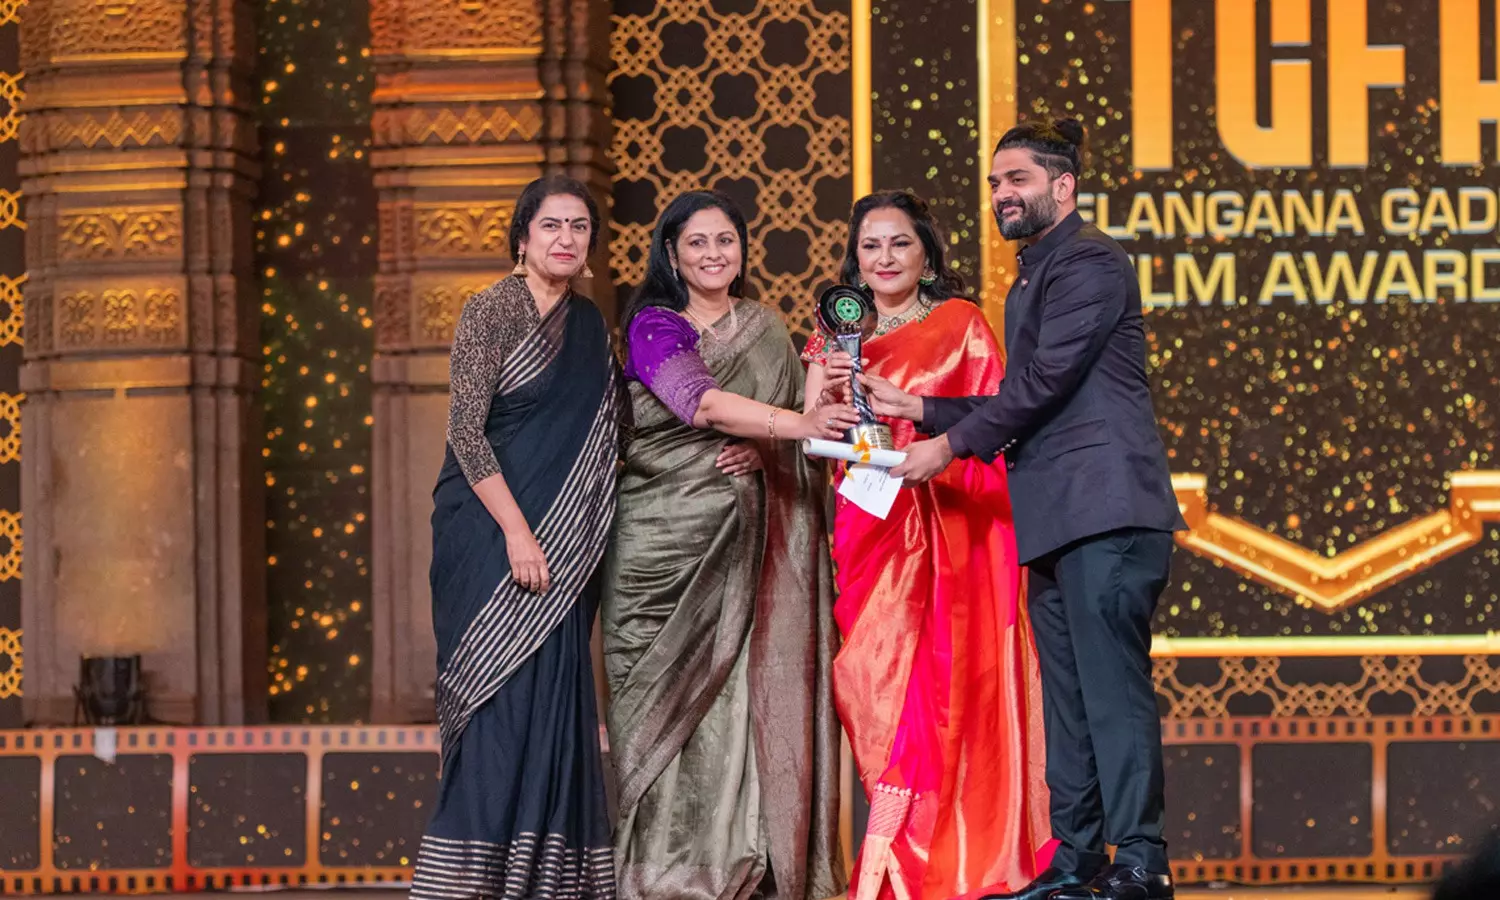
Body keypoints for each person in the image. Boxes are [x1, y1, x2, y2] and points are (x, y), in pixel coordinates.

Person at [860, 120, 1187, 900]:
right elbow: (1023, 394)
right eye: (995, 183)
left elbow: (1044, 385)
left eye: (1018, 180)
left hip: (1106, 513)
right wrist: (923, 409)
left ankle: (1142, 861)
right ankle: (1078, 859)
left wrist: (948, 446)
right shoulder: (1037, 274)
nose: (1002, 194)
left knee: (1111, 691)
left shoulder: (1091, 262)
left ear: (1062, 186)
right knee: (1068, 704)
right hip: (1057, 520)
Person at [801, 191, 1054, 900]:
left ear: (926, 254)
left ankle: (959, 865)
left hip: (957, 531)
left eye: (899, 244)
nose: (884, 258)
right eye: (870, 246)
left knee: (953, 691)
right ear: (854, 258)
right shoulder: (833, 334)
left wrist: (920, 425)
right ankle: (896, 864)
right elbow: (815, 437)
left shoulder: (961, 325)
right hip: (871, 533)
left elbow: (1002, 419)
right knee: (876, 689)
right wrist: (829, 396)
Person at [602, 189, 853, 900]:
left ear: (743, 250)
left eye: (726, 240)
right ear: (672, 255)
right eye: (697, 242)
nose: (714, 254)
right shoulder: (654, 325)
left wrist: (780, 439)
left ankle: (755, 859)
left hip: (752, 539)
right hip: (661, 545)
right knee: (664, 713)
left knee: (748, 696)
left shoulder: (767, 330)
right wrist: (790, 427)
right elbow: (701, 403)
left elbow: (799, 426)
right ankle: (666, 872)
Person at [411, 176, 621, 900]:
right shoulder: (491, 310)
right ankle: (469, 885)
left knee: (554, 711)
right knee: (496, 711)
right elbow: (466, 435)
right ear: (523, 237)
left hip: (564, 549)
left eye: (580, 227)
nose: (566, 238)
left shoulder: (589, 325)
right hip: (490, 537)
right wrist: (519, 535)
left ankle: (547, 885)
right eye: (551, 225)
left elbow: (613, 434)